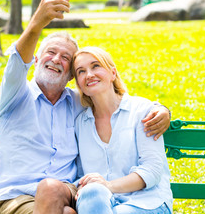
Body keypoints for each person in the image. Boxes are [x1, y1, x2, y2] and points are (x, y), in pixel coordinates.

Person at [0, 0, 171, 214]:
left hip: (67, 192)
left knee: (55, 192)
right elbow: (17, 60)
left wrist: (162, 110)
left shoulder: (77, 103)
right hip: (17, 197)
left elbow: (114, 99)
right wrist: (37, 23)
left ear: (71, 77)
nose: (56, 59)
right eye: (50, 52)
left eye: (65, 58)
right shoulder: (15, 93)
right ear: (35, 59)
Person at [72, 47, 173, 214]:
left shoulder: (143, 112)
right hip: (99, 204)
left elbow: (153, 171)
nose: (89, 74)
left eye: (96, 66)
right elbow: (81, 174)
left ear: (113, 73)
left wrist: (108, 186)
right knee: (91, 191)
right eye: (81, 71)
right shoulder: (80, 124)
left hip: (147, 203)